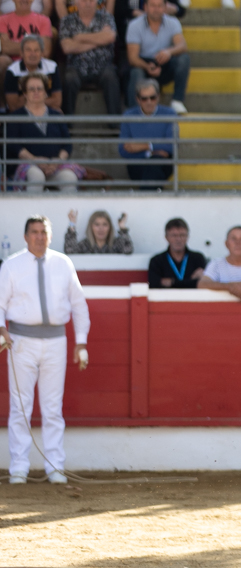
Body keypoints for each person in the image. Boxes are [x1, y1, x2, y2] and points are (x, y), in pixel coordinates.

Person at [0, 216, 89, 485]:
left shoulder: (63, 263)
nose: (39, 237)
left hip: (55, 342)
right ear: (26, 236)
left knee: (52, 407)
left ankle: (55, 467)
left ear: (50, 236)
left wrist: (81, 341)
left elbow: (78, 304)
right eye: (34, 232)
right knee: (20, 407)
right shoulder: (12, 264)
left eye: (44, 232)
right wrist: (1, 329)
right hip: (20, 341)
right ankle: (19, 468)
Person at [4, 74, 83, 192]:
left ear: (46, 92)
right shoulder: (16, 116)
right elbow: (14, 146)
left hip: (55, 166)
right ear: (25, 93)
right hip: (28, 166)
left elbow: (67, 145)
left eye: (40, 88)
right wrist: (35, 160)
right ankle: (33, 211)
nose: (36, 92)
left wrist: (57, 161)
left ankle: (69, 211)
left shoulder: (57, 115)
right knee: (37, 176)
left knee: (69, 177)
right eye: (31, 89)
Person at [58, 0, 119, 117]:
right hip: (76, 66)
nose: (87, 3)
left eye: (91, 0)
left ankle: (115, 126)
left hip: (104, 65)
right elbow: (67, 47)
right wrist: (99, 40)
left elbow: (110, 37)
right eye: (83, 1)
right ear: (75, 2)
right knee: (69, 79)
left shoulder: (107, 17)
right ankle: (67, 125)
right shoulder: (67, 20)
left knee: (111, 78)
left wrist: (79, 37)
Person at [125, 0, 188, 113]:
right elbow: (133, 58)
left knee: (184, 59)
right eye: (153, 5)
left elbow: (182, 45)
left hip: (164, 62)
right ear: (145, 7)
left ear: (165, 8)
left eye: (160, 6)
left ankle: (177, 101)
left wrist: (169, 52)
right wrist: (147, 67)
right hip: (143, 63)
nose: (156, 9)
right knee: (135, 72)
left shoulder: (173, 22)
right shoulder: (134, 25)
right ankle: (134, 112)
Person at [119, 78, 177, 187]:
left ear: (158, 97)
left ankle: (146, 198)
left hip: (162, 164)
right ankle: (153, 198)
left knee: (154, 165)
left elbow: (172, 145)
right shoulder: (128, 116)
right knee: (152, 167)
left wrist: (144, 146)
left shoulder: (170, 114)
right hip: (137, 164)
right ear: (138, 99)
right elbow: (123, 149)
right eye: (144, 99)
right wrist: (152, 152)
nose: (149, 102)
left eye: (152, 98)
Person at [147, 217, 206, 288]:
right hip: (166, 298)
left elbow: (202, 283)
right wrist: (190, 281)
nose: (178, 239)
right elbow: (154, 285)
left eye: (182, 235)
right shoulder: (157, 260)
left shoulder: (198, 258)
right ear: (166, 237)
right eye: (174, 236)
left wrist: (171, 282)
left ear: (187, 237)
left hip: (193, 298)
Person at [3, 34, 57, 111]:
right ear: (21, 53)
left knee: (58, 112)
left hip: (46, 109)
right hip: (21, 112)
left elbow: (57, 102)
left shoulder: (52, 67)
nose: (33, 54)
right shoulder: (12, 71)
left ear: (42, 53)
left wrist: (27, 99)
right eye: (28, 50)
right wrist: (41, 98)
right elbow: (13, 106)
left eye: (36, 50)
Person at [0, 0, 53, 74]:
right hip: (12, 62)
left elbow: (46, 50)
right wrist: (34, 48)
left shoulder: (44, 20)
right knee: (2, 61)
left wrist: (14, 45)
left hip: (36, 61)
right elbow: (5, 48)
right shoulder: (2, 20)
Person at [63, 209, 133, 254]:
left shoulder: (115, 244)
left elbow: (128, 249)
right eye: (97, 224)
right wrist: (72, 225)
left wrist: (123, 228)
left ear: (110, 227)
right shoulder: (85, 245)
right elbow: (70, 250)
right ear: (91, 227)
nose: (101, 228)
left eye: (105, 224)